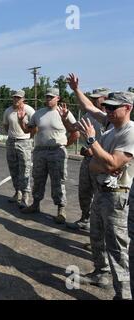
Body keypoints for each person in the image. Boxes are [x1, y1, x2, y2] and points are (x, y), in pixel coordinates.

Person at [68, 74, 133, 300]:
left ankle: (124, 294)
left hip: (117, 197)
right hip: (102, 193)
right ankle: (100, 273)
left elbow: (112, 163)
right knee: (96, 237)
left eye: (114, 107)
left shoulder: (129, 131)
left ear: (128, 108)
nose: (108, 110)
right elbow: (97, 166)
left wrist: (92, 142)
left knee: (117, 248)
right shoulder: (110, 126)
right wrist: (76, 89)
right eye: (107, 107)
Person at [18, 88, 80, 224]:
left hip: (57, 151)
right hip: (40, 151)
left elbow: (75, 133)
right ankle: (35, 204)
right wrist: (21, 120)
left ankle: (61, 209)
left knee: (58, 180)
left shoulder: (64, 113)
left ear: (58, 98)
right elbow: (28, 131)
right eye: (47, 97)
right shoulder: (38, 114)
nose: (48, 99)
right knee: (38, 179)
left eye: (51, 97)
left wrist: (63, 146)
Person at [67, 87, 111, 231]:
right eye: (92, 98)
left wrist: (92, 149)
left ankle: (99, 229)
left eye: (96, 98)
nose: (93, 100)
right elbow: (73, 128)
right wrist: (64, 118)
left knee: (101, 197)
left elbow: (111, 146)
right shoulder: (89, 116)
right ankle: (85, 219)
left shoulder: (110, 119)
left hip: (102, 163)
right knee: (84, 192)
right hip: (88, 161)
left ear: (105, 99)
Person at [2, 90, 35, 208]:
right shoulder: (8, 111)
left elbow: (35, 127)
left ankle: (25, 196)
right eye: (14, 97)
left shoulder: (29, 110)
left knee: (25, 169)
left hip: (24, 142)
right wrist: (12, 135)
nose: (16, 99)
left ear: (23, 99)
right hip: (11, 141)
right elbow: (6, 126)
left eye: (18, 98)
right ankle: (18, 192)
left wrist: (28, 137)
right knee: (13, 169)